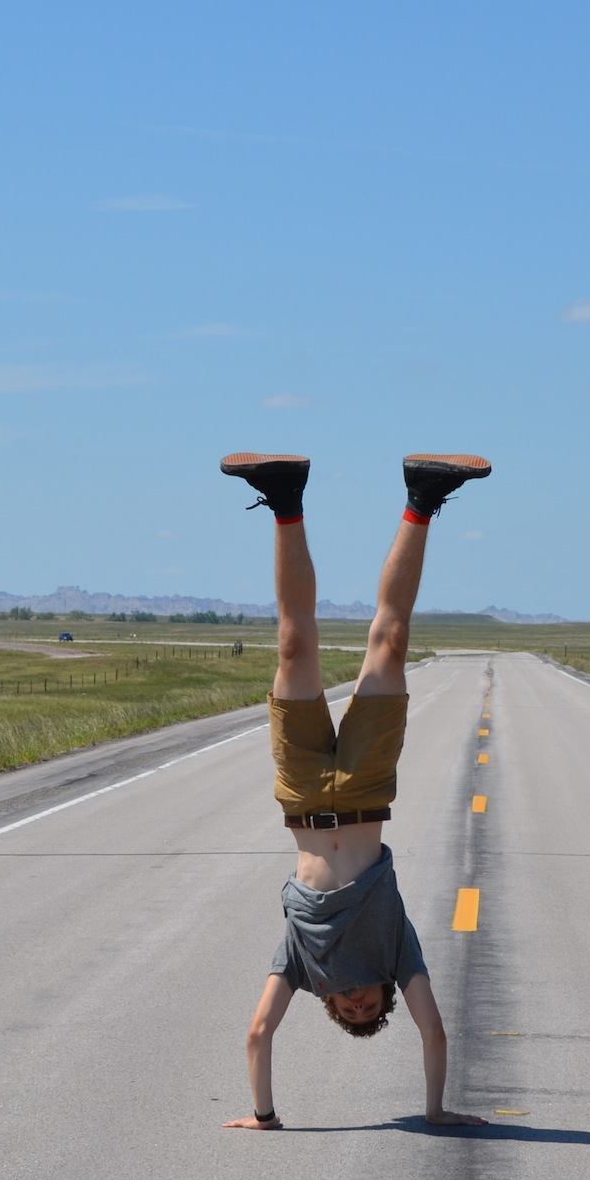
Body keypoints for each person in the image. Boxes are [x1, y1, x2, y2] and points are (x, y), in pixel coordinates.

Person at [219, 452, 493, 1132]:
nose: (362, 1003)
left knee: (293, 646)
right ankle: (423, 497)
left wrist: (263, 1115)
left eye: (351, 1011)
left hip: (303, 793)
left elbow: (258, 1033)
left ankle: (284, 497)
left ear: (332, 1004)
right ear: (383, 999)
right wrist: (436, 1113)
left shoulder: (304, 963)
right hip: (369, 786)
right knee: (391, 643)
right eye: (372, 1008)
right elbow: (434, 1033)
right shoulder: (397, 951)